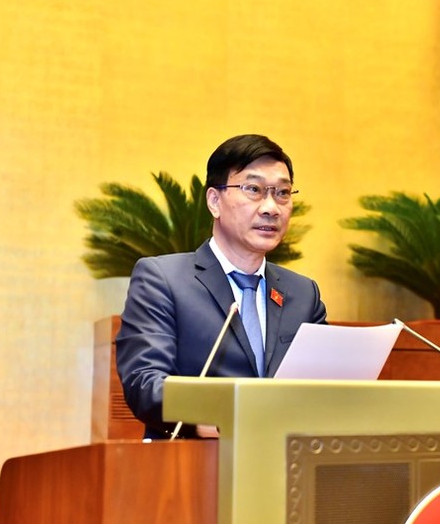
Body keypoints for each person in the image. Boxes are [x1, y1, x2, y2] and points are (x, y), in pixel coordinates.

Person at [116, 134, 328, 439]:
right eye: (253, 190)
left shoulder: (304, 294)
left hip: (286, 460)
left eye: (282, 193)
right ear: (215, 201)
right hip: (195, 460)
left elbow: (326, 388)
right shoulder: (162, 279)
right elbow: (145, 383)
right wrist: (223, 420)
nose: (271, 207)